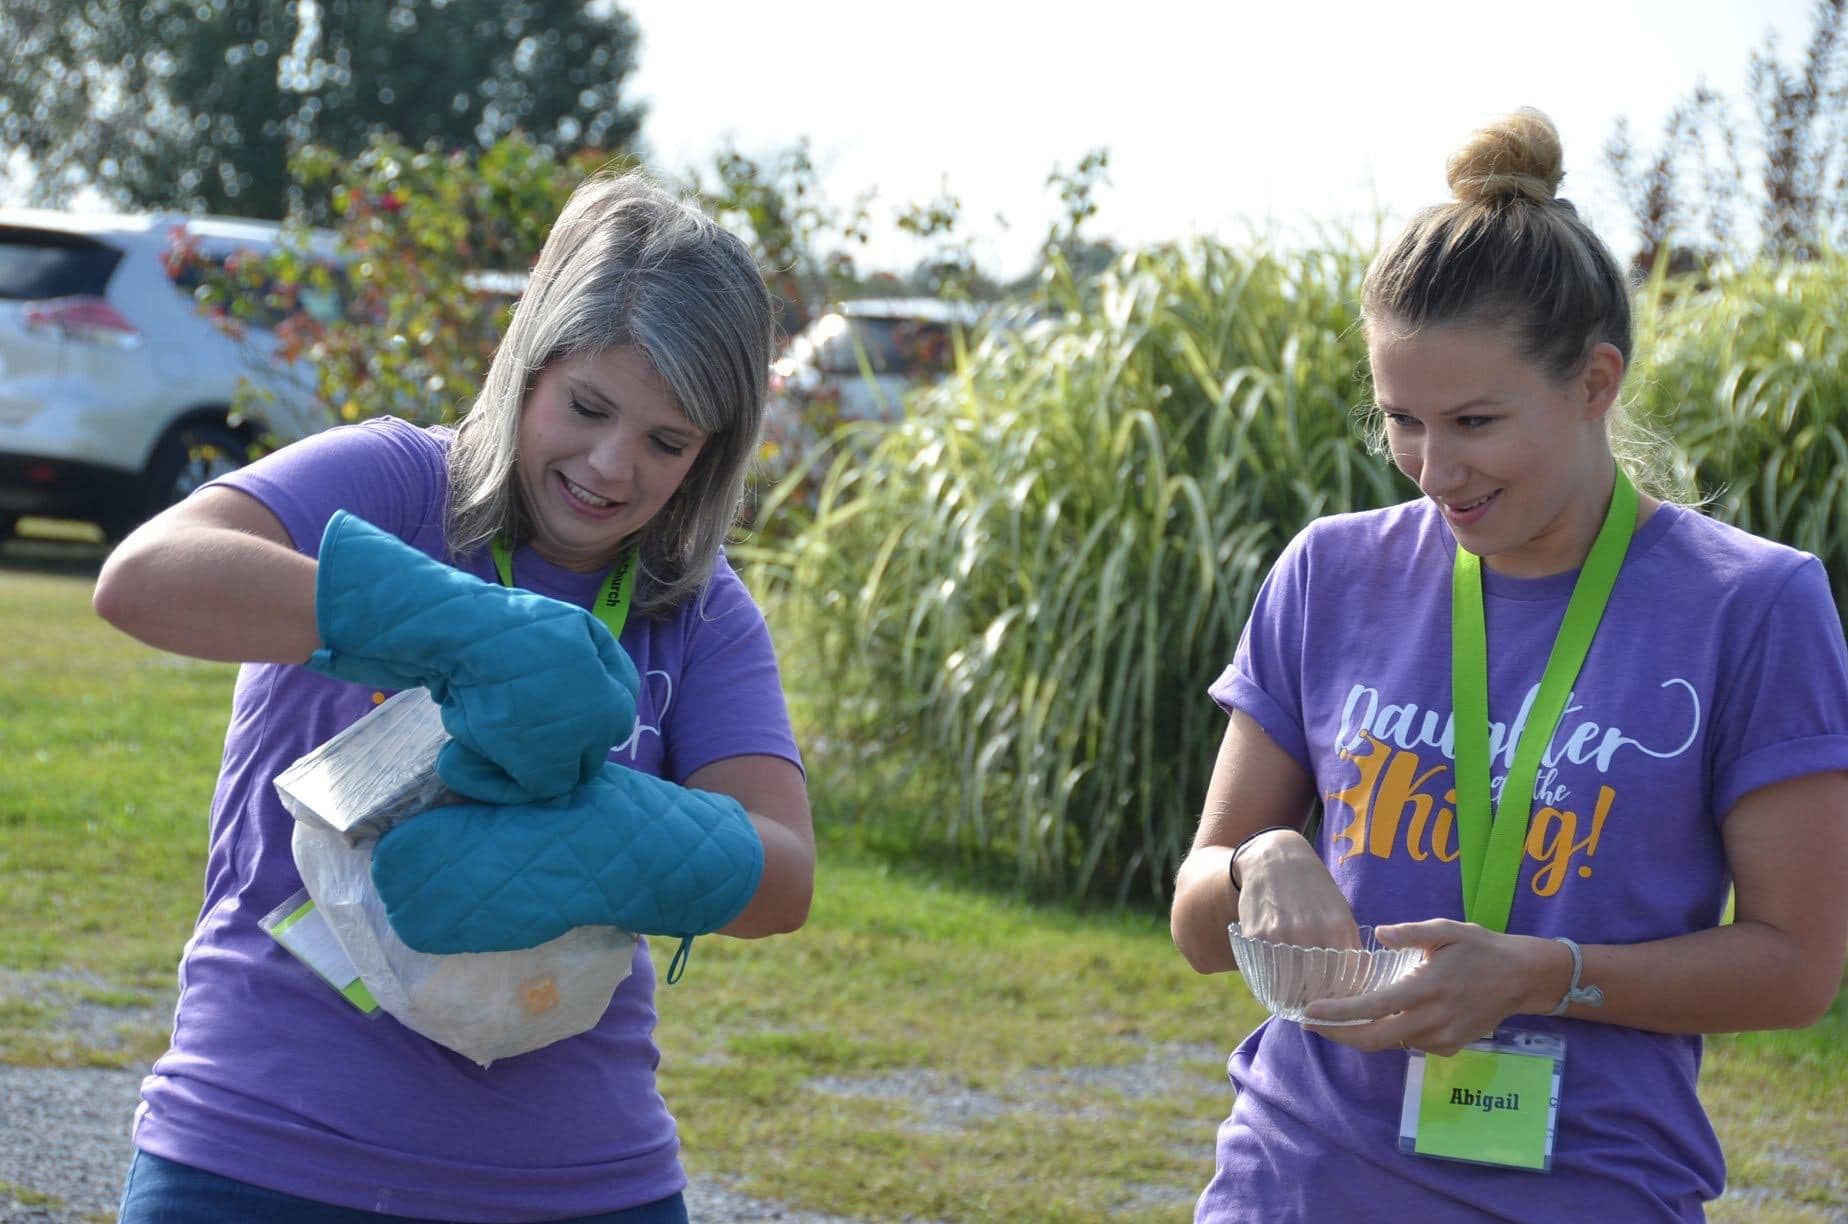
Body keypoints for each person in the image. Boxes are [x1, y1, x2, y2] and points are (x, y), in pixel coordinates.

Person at [94, 170, 814, 1222]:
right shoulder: (391, 485)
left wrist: (609, 835)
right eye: (589, 407)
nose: (612, 466)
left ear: (713, 450)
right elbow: (143, 581)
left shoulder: (697, 611)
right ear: (530, 367)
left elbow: (784, 878)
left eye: (668, 442)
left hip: (579, 1184)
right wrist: (459, 634)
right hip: (260, 1155)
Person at [1169, 108, 1848, 1221]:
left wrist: (1546, 972)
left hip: (1585, 1190)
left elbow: (1794, 967)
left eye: (1475, 421)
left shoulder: (1754, 604)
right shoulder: (1328, 572)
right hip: (1294, 1184)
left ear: (1594, 383)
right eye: (1402, 421)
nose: (1434, 471)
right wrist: (1259, 860)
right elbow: (1199, 922)